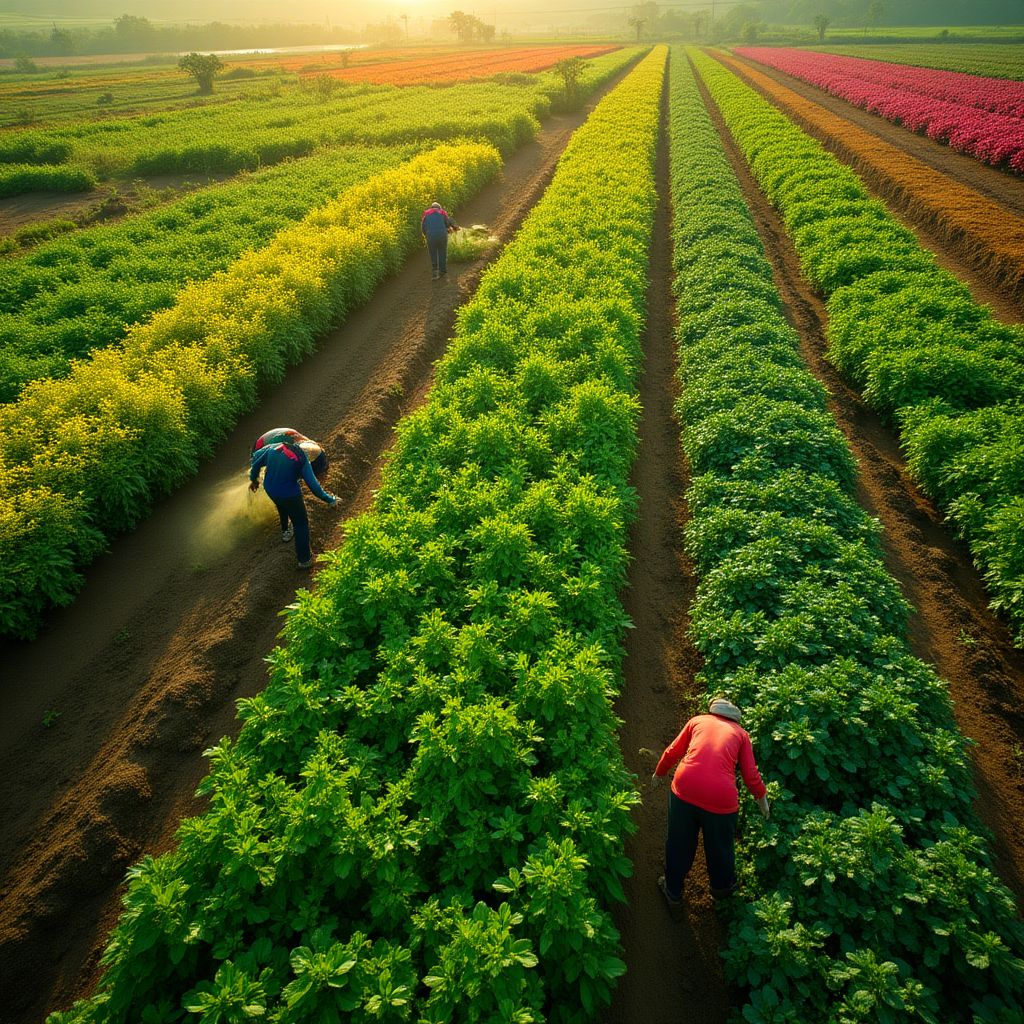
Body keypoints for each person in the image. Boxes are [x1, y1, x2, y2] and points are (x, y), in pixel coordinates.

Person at [650, 696, 769, 913]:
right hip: (721, 800)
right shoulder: (741, 735)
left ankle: (673, 892)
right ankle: (722, 891)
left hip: (685, 789)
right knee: (720, 847)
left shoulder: (697, 721)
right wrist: (761, 798)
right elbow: (751, 775)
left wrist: (660, 772)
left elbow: (673, 751)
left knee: (679, 842)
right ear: (735, 719)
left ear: (713, 711)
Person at [249, 428, 338, 569]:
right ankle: (305, 560)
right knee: (301, 523)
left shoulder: (275, 447)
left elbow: (256, 462)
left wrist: (253, 480)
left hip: (271, 489)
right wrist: (330, 499)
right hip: (289, 493)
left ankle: (285, 531)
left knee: (281, 506)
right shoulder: (303, 460)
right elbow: (315, 488)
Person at [421, 200, 458, 280]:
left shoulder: (426, 215)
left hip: (430, 237)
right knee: (442, 252)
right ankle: (442, 271)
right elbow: (447, 224)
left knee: (433, 254)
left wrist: (427, 236)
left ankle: (435, 273)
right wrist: (449, 229)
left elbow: (423, 228)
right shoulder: (442, 213)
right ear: (439, 208)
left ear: (431, 208)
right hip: (442, 235)